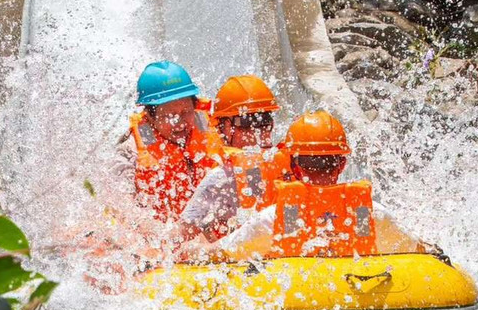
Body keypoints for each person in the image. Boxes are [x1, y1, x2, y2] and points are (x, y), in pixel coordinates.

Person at [179, 109, 424, 262]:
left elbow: (217, 254)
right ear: (342, 164)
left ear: (294, 166)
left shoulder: (275, 218)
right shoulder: (369, 212)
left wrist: (192, 247)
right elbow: (420, 249)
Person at [178, 74, 291, 241]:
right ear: (225, 128)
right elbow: (181, 236)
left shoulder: (292, 165)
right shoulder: (219, 179)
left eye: (264, 121)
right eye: (246, 121)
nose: (256, 130)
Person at [123, 61, 223, 221]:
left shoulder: (215, 128)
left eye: (186, 112)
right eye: (169, 116)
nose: (181, 123)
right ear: (149, 117)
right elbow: (120, 207)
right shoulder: (130, 151)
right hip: (160, 233)